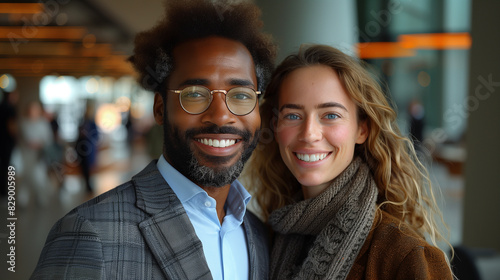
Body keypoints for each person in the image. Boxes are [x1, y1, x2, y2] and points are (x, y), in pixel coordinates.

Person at [30, 0, 276, 279]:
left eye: (241, 96)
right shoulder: (90, 233)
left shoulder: (259, 234)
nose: (221, 117)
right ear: (160, 108)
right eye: (194, 94)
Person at [246, 45, 453, 279]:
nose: (309, 134)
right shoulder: (265, 239)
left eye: (331, 115)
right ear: (275, 126)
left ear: (362, 129)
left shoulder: (404, 256)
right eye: (293, 115)